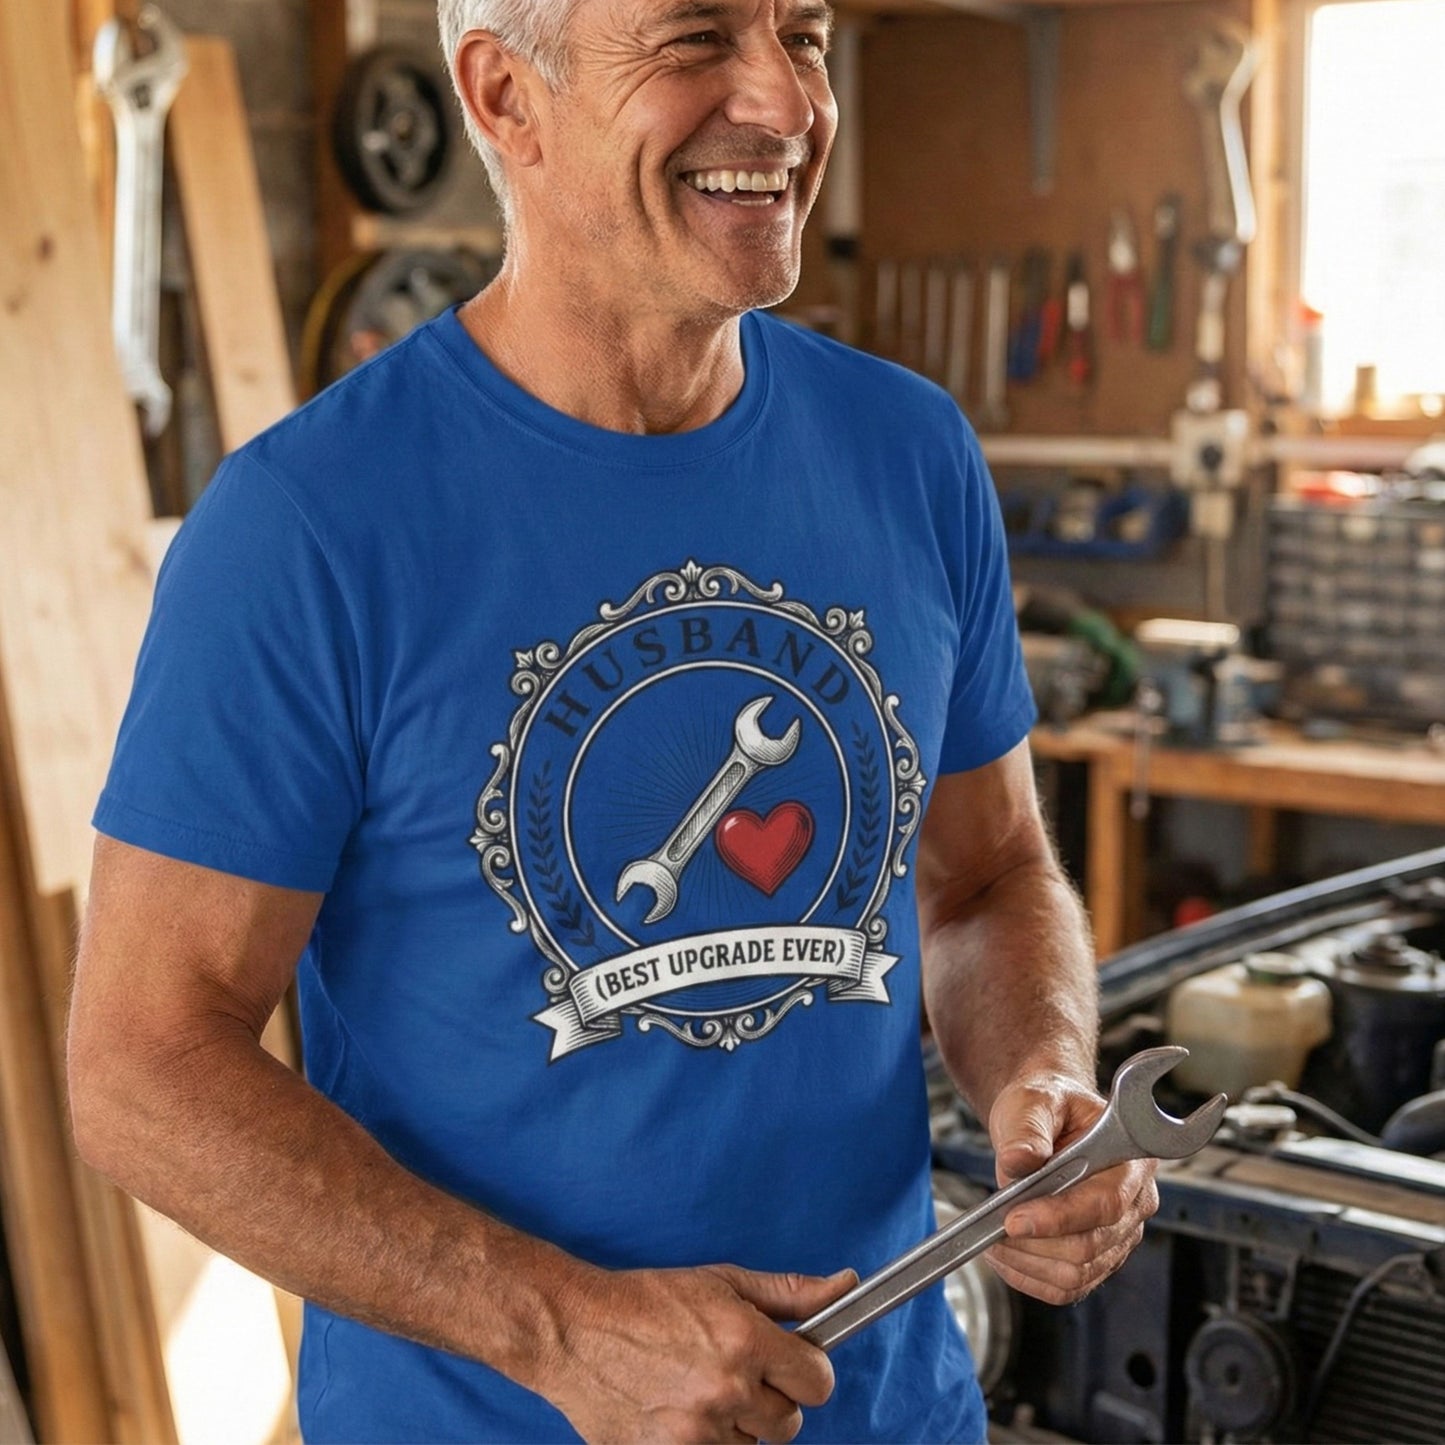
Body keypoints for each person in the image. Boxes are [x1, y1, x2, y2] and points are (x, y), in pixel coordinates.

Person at [68, 1, 1159, 1440]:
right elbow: (140, 1066)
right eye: (696, 37)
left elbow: (988, 877)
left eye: (803, 32)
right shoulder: (308, 526)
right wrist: (562, 1330)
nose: (787, 102)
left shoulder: (910, 451)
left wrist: (1042, 1074)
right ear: (505, 96)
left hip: (891, 1410)